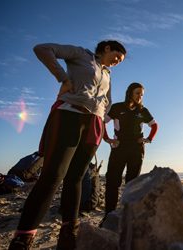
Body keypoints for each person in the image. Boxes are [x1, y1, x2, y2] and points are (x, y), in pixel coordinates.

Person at [8, 40, 126, 250]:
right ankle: (23, 237)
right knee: (53, 175)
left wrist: (105, 124)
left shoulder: (108, 74)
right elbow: (42, 49)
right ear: (107, 48)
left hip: (94, 125)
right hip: (69, 115)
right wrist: (62, 77)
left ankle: (69, 232)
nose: (118, 61)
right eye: (118, 56)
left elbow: (107, 100)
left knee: (76, 178)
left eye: (121, 61)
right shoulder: (81, 55)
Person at [103, 82, 158, 216]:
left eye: (142, 94)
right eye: (137, 93)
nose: (140, 96)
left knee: (132, 184)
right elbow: (102, 122)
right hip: (119, 147)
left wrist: (148, 139)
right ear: (130, 93)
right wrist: (107, 138)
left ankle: (129, 214)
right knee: (112, 181)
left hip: (137, 149)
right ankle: (109, 214)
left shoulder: (143, 111)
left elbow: (155, 126)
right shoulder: (116, 107)